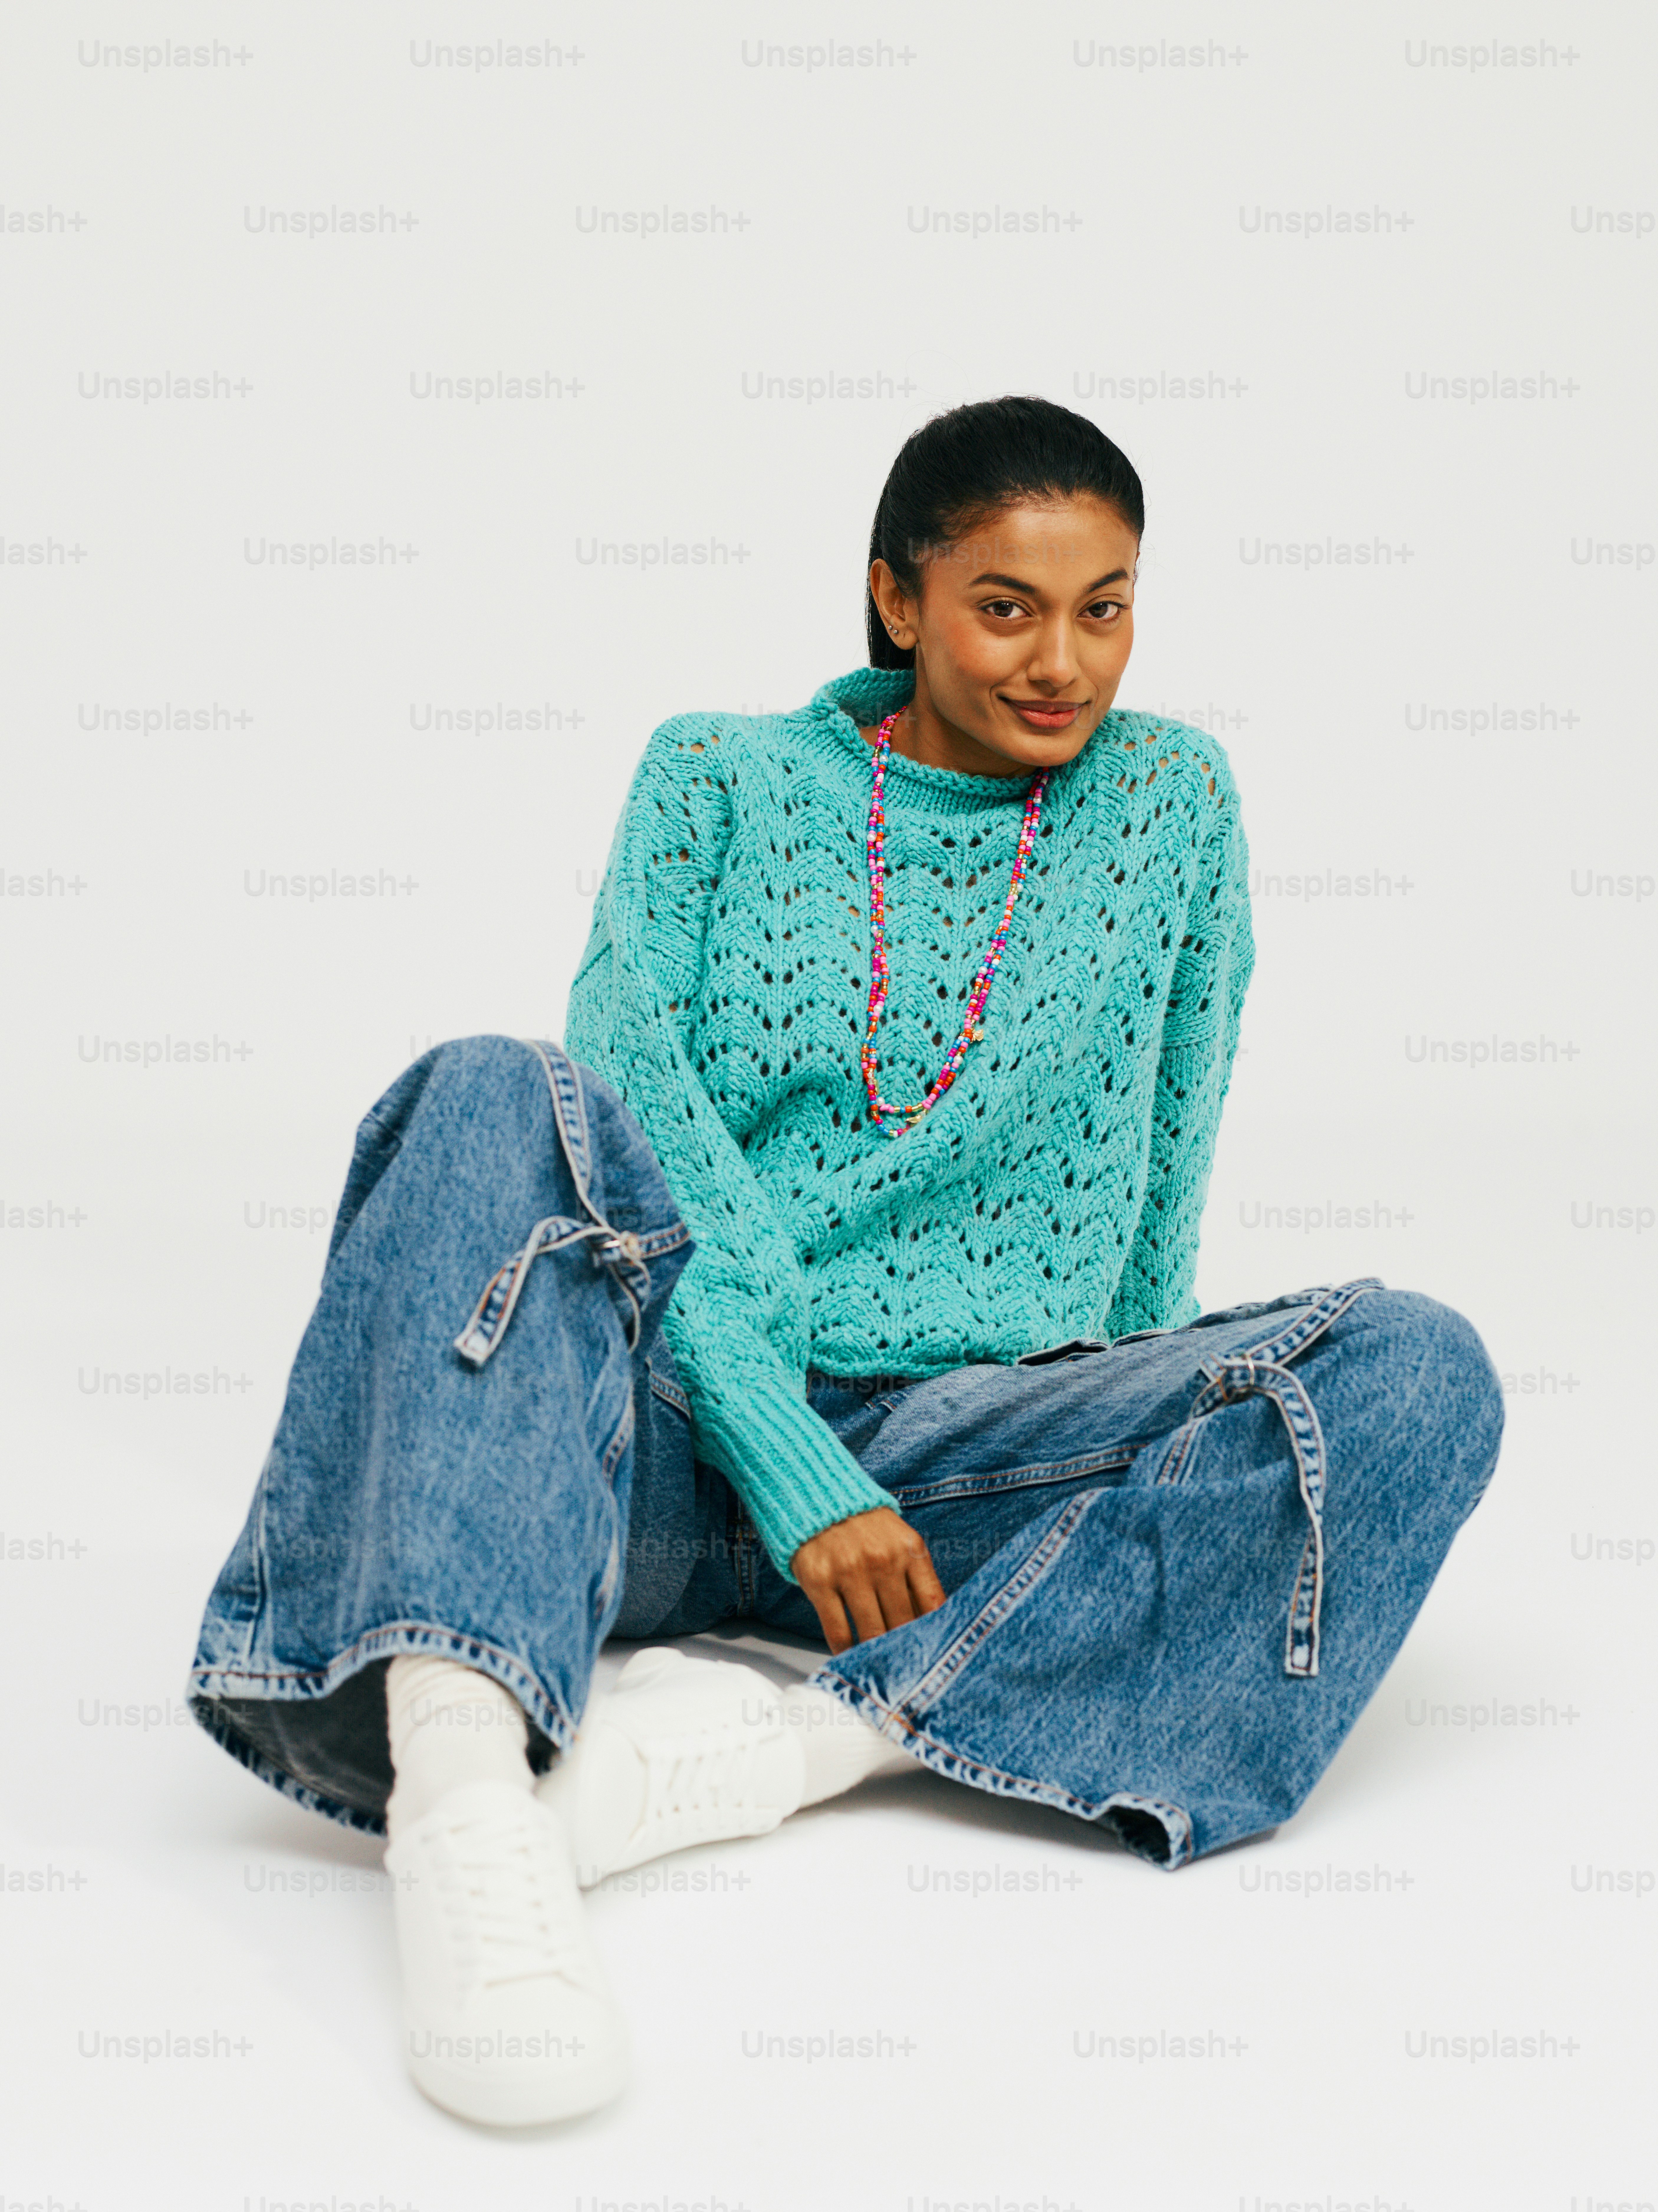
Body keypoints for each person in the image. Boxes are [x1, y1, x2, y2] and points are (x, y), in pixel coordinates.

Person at [187, 395, 1504, 2128]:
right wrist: (783, 1451)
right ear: (898, 596)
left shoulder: (1174, 800)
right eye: (1007, 606)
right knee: (494, 1090)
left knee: (1420, 1367)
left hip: (946, 1484)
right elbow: (641, 1116)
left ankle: (807, 1746)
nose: (1062, 660)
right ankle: (462, 1793)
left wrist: (1150, 1450)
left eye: (1105, 607)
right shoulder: (717, 777)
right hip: (663, 1432)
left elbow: (1167, 1146)